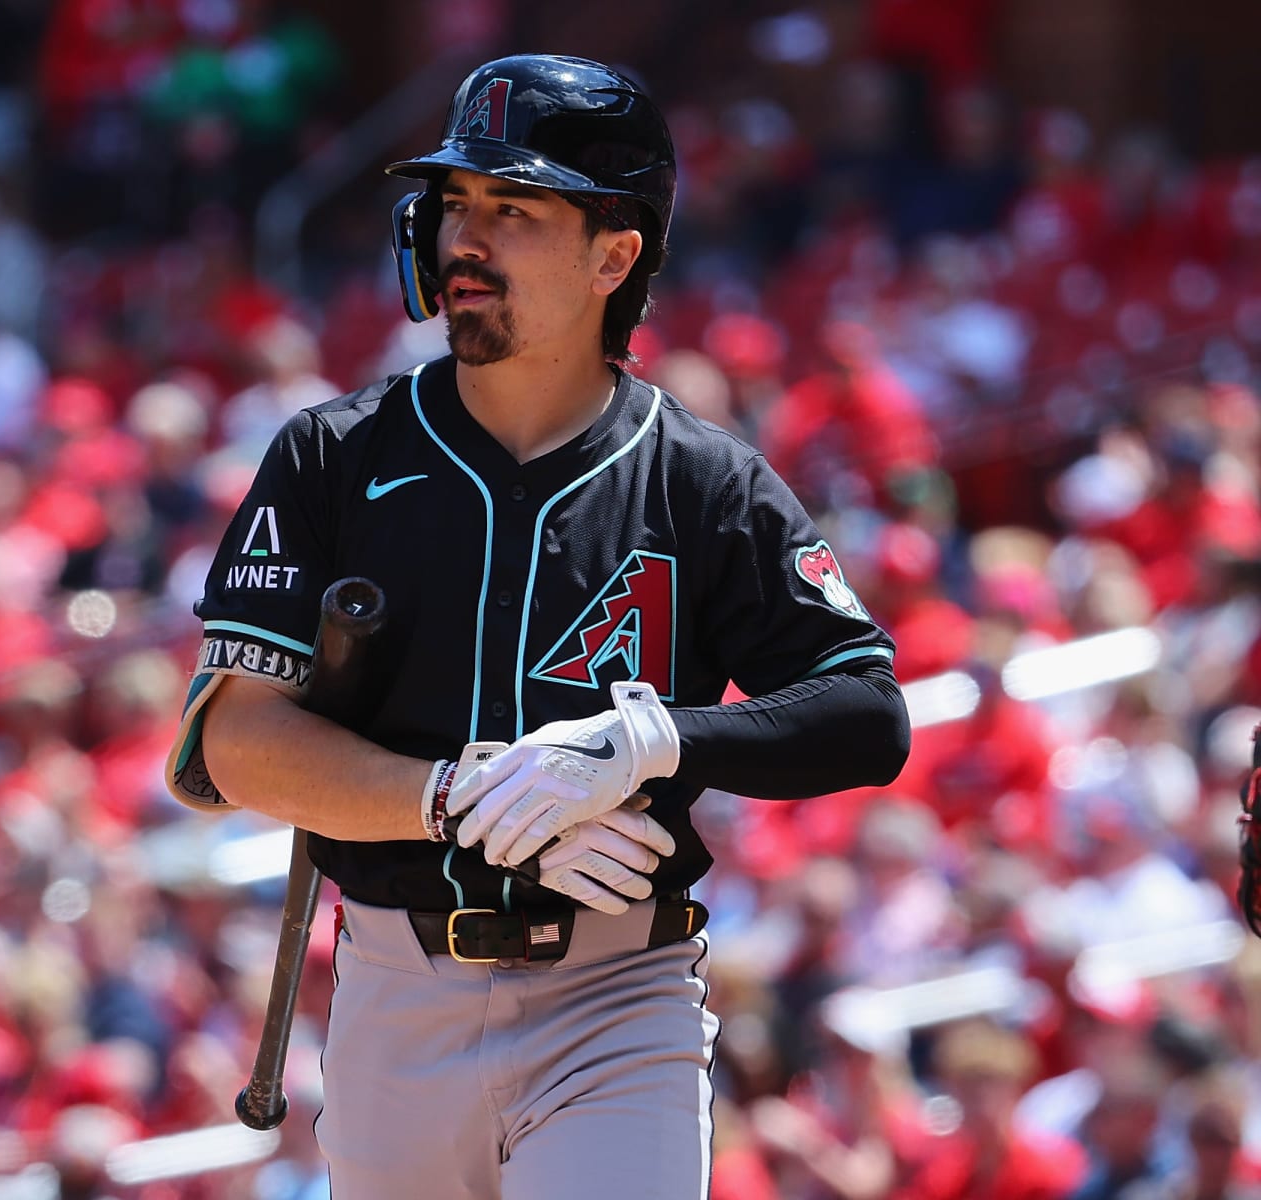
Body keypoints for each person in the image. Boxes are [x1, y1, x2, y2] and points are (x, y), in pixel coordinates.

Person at [166, 53, 910, 1198]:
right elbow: (237, 743)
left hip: (618, 996)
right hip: (393, 992)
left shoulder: (702, 481)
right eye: (456, 204)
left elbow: (866, 714)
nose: (466, 238)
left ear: (615, 255)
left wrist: (652, 745)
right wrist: (459, 798)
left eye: (512, 210)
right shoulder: (332, 453)